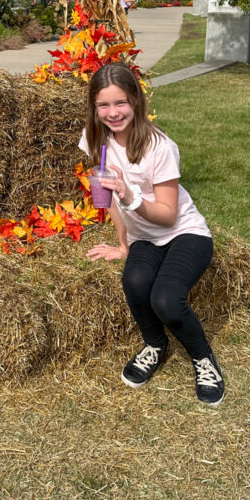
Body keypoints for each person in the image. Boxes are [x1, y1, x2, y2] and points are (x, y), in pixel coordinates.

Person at [81, 63, 224, 406]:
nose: (112, 113)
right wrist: (123, 244)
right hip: (145, 237)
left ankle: (204, 359)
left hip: (183, 232)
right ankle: (155, 345)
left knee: (165, 299)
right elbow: (109, 199)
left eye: (120, 103)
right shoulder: (94, 139)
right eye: (103, 105)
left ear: (135, 100)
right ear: (94, 107)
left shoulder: (160, 147)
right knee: (135, 283)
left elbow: (167, 213)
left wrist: (133, 198)